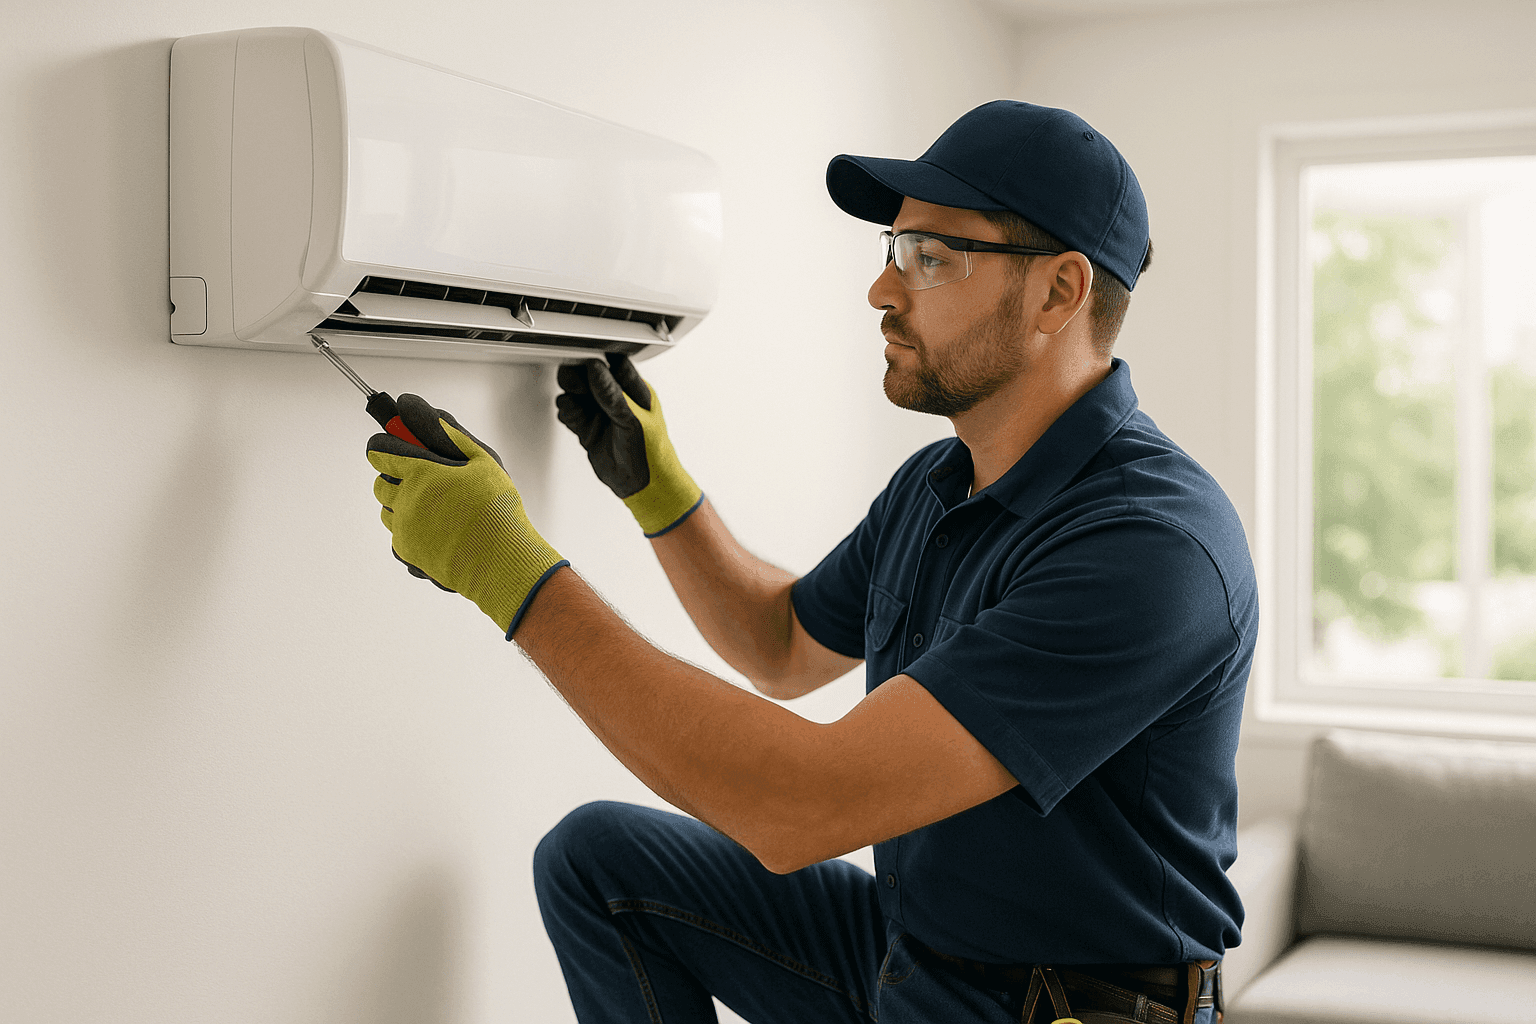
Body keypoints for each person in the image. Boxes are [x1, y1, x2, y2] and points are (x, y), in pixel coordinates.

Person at [363, 100, 1257, 1024]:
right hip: (914, 952)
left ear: (1059, 293)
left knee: (774, 811)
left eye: (931, 257)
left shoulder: (1151, 547)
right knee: (598, 861)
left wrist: (506, 569)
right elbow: (783, 644)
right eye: (894, 248)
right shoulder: (938, 485)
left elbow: (800, 808)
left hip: (1058, 1007)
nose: (882, 290)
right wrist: (661, 494)